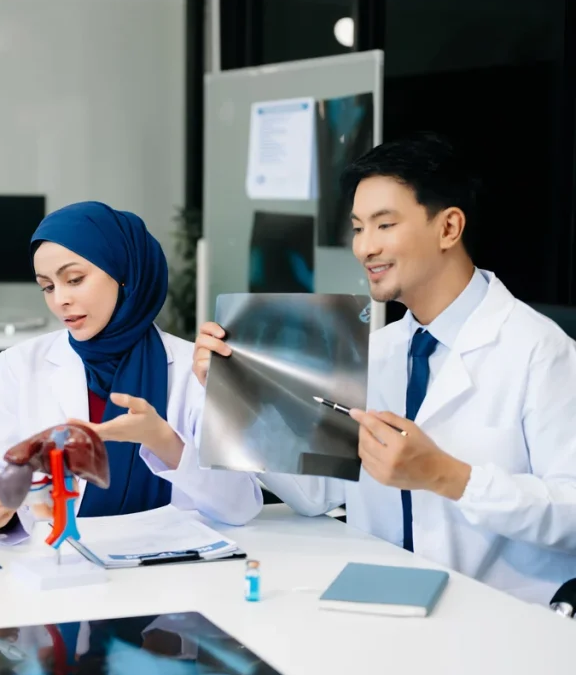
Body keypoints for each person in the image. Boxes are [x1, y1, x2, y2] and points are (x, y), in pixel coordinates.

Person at [193, 134, 576, 604]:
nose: (364, 247)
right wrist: (236, 391)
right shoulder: (377, 351)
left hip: (500, 619)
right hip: (380, 608)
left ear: (449, 228)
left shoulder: (541, 351)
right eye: (357, 228)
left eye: (384, 225)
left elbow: (571, 511)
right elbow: (318, 493)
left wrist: (449, 476)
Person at [0, 201, 262, 543]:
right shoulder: (18, 366)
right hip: (61, 570)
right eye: (47, 286)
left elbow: (240, 506)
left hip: (174, 577)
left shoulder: (192, 368)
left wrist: (161, 441)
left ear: (124, 274)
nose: (60, 299)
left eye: (74, 279)